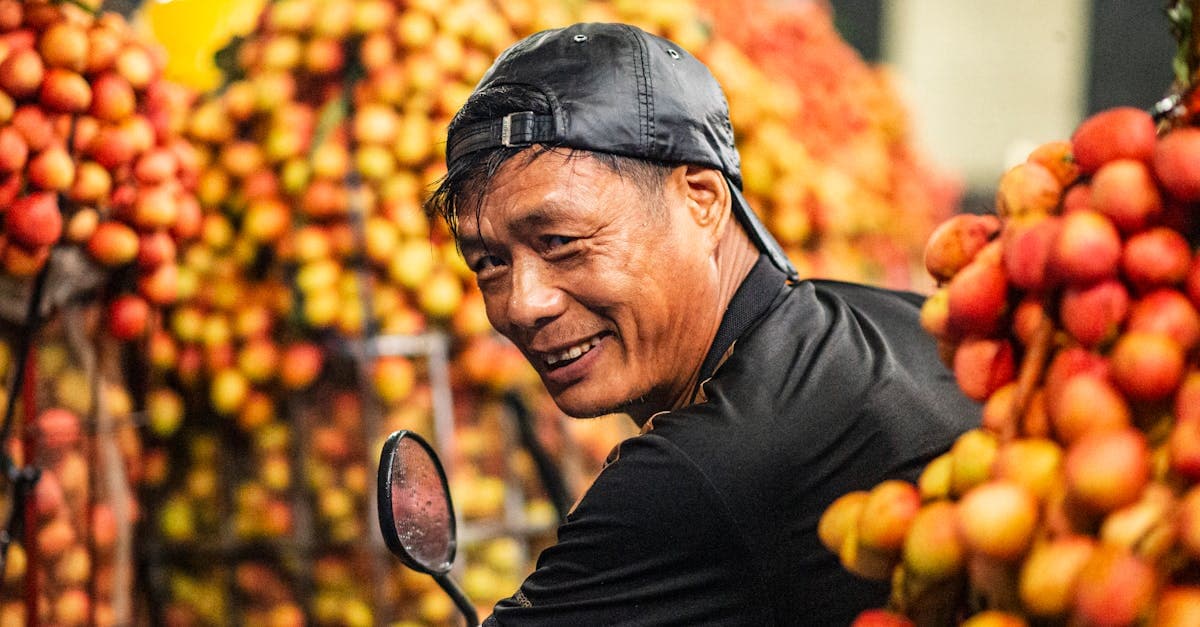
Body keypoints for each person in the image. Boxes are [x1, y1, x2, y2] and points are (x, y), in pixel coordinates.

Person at [425, 22, 980, 626]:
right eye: (488, 263)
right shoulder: (904, 323)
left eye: (559, 240)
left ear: (702, 201)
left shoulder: (690, 477)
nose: (522, 304)